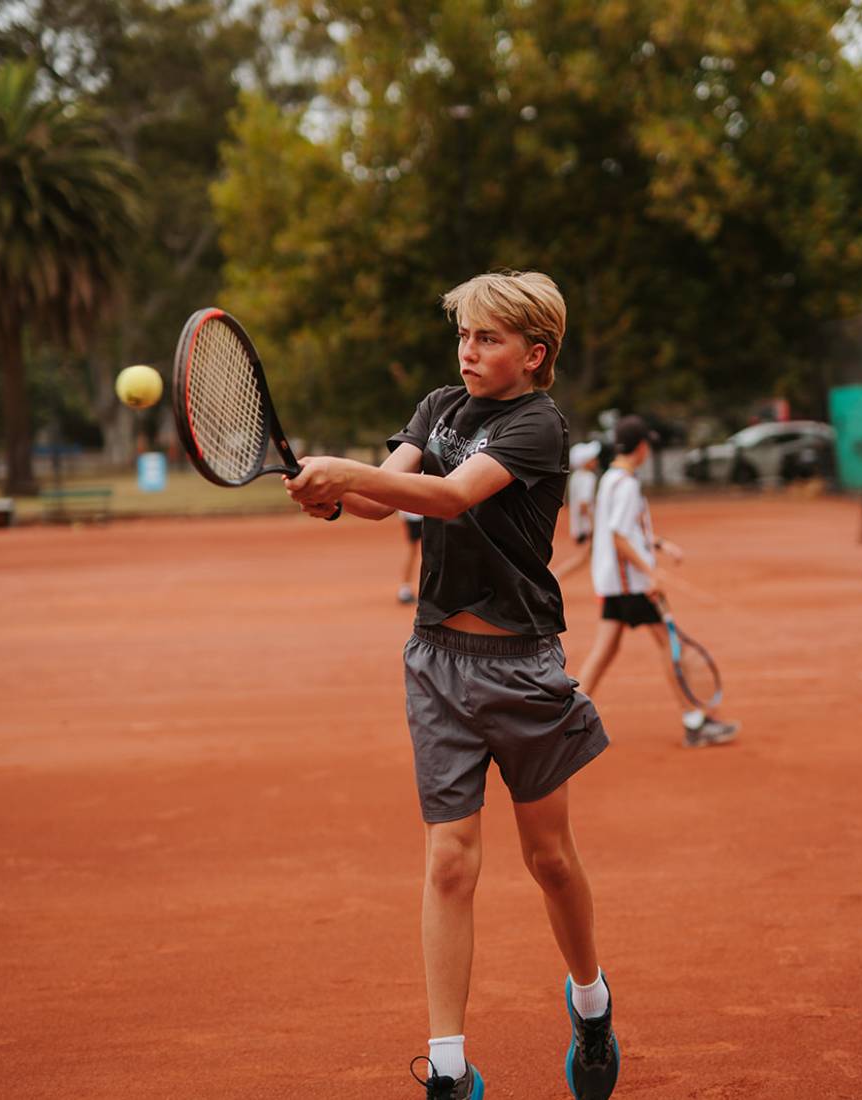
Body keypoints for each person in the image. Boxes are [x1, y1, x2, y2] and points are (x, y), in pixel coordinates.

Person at [283, 271, 620, 1100]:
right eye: (464, 336)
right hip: (436, 662)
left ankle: (590, 1000)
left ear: (534, 354)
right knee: (449, 864)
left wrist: (346, 469)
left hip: (522, 664)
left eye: (488, 339)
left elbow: (445, 496)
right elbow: (381, 502)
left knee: (549, 860)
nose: (468, 352)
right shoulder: (440, 407)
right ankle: (447, 1067)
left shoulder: (540, 426)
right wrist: (334, 494)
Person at [575, 415, 739, 748]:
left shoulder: (610, 479)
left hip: (613, 582)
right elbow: (620, 536)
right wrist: (650, 574)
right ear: (642, 447)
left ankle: (562, 724)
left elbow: (628, 530)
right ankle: (694, 722)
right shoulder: (628, 485)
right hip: (632, 583)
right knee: (669, 645)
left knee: (605, 650)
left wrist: (661, 544)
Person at [553, 440, 601, 581]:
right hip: (587, 527)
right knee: (585, 557)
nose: (596, 460)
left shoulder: (576, 477)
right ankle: (555, 576)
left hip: (580, 526)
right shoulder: (588, 477)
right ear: (585, 462)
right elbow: (584, 504)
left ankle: (556, 575)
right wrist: (594, 526)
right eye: (593, 458)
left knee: (586, 557)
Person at [398, 509, 424, 603]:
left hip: (414, 515)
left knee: (413, 552)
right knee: (413, 552)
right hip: (419, 516)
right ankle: (405, 589)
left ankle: (405, 588)